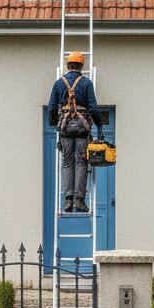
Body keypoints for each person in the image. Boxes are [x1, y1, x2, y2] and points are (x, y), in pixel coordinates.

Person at [47, 51, 103, 214]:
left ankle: (68, 200)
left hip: (65, 127)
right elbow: (92, 106)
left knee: (67, 162)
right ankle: (79, 200)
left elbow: (51, 107)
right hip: (82, 127)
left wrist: (54, 123)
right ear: (81, 66)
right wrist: (99, 127)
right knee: (81, 163)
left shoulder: (59, 83)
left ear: (67, 65)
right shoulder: (86, 83)